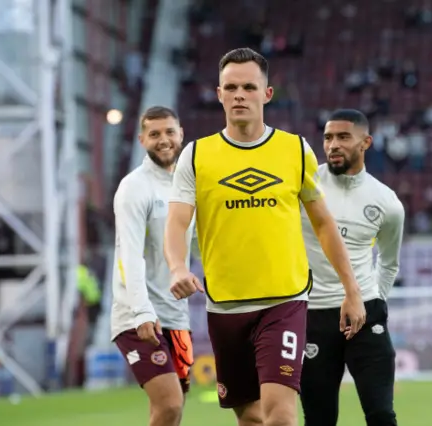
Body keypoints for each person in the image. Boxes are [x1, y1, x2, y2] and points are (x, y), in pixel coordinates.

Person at [164, 48, 366, 426]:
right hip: (225, 305)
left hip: (284, 302)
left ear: (267, 94)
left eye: (248, 87)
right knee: (252, 419)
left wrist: (351, 291)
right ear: (219, 94)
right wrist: (177, 267)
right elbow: (176, 222)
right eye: (231, 87)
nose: (239, 94)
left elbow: (324, 223)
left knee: (280, 417)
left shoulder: (295, 150)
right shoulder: (195, 156)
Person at [298, 109, 404, 426]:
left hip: (364, 312)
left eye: (343, 137)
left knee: (382, 414)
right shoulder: (303, 186)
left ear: (366, 142)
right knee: (319, 418)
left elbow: (389, 262)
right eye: (328, 137)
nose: (333, 145)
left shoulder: (387, 202)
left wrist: (374, 300)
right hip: (313, 314)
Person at [111, 106, 197, 426]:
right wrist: (141, 311)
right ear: (141, 139)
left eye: (169, 132)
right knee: (170, 405)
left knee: (169, 413)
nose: (164, 140)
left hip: (177, 315)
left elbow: (199, 244)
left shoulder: (186, 186)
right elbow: (129, 254)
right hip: (140, 315)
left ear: (181, 135)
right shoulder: (135, 187)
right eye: (155, 134)